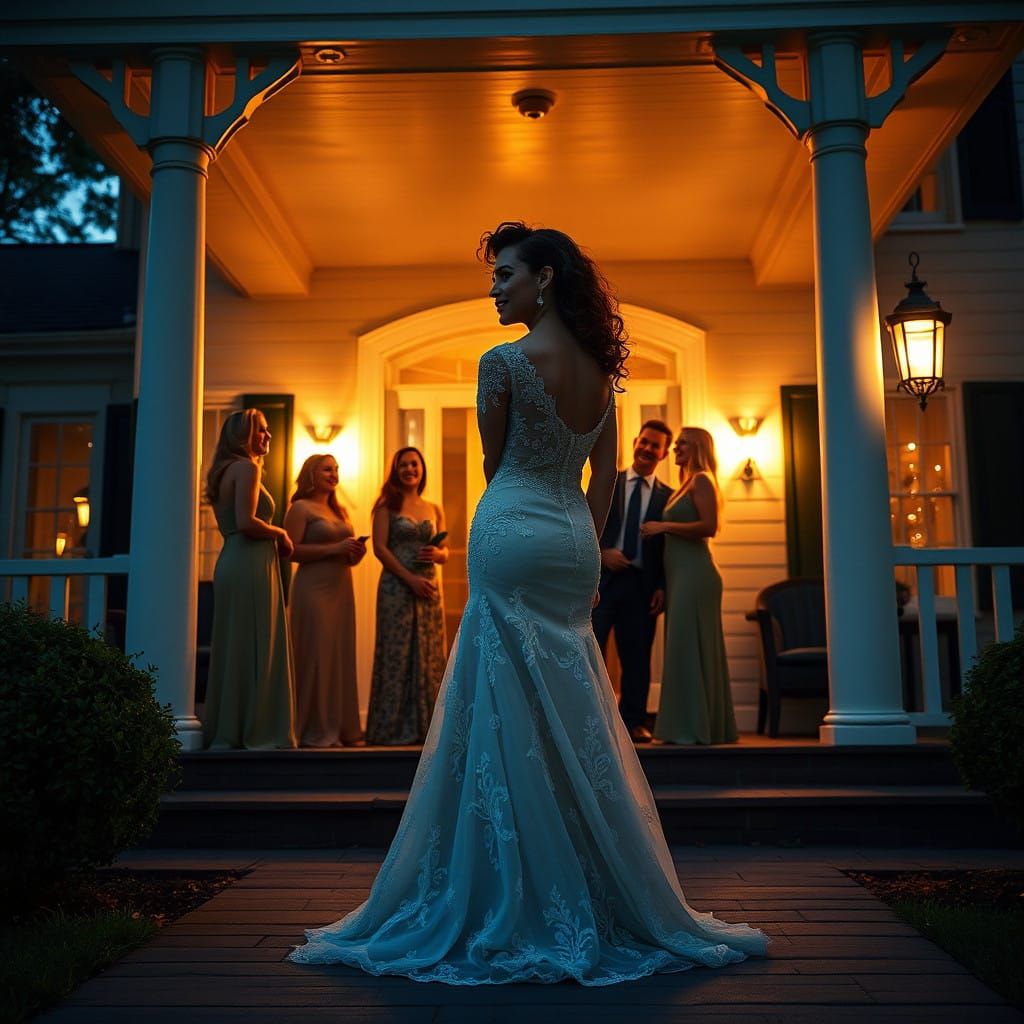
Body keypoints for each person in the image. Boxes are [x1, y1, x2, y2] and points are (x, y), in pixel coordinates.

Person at [289, 222, 766, 982]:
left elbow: (494, 457)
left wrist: (532, 499)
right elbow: (605, 485)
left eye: (504, 276)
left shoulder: (503, 362)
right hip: (574, 538)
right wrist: (589, 541)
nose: (493, 288)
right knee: (572, 699)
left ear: (544, 278)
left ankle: (506, 884)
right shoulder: (603, 375)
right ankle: (593, 881)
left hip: (512, 524)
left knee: (501, 699)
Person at [203, 408, 296, 750]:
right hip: (250, 564)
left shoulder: (223, 470)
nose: (268, 436)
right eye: (261, 431)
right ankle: (259, 730)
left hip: (233, 561)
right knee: (257, 644)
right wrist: (281, 532)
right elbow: (246, 521)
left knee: (236, 645)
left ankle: (231, 728)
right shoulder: (246, 468)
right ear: (243, 436)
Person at [641, 428, 739, 745]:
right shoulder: (686, 483)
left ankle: (692, 729)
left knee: (688, 647)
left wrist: (662, 526)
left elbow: (709, 527)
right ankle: (690, 726)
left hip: (697, 576)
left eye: (681, 443)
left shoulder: (702, 480)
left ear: (697, 446)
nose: (675, 449)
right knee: (683, 648)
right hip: (680, 576)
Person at [592, 421, 674, 742]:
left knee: (637, 657)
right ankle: (593, 722)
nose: (647, 449)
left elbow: (671, 549)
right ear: (635, 442)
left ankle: (633, 724)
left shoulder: (668, 497)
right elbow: (586, 525)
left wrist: (663, 586)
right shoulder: (609, 483)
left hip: (642, 587)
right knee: (591, 651)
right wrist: (602, 554)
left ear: (664, 453)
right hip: (602, 583)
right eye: (644, 442)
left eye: (655, 446)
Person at [364, 446, 448, 745]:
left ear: (422, 468)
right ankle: (390, 729)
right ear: (395, 471)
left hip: (428, 589)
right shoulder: (386, 506)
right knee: (397, 653)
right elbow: (379, 549)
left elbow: (446, 551)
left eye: (414, 464)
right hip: (396, 587)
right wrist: (409, 578)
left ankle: (427, 728)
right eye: (403, 465)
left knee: (429, 654)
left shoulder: (434, 508)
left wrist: (439, 554)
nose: (409, 469)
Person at [284, 454, 368, 748]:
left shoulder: (338, 510)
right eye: (327, 469)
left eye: (336, 470)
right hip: (313, 589)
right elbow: (290, 551)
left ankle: (342, 728)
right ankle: (313, 728)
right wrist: (336, 547)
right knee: (316, 654)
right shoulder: (300, 508)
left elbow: (342, 554)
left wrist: (354, 554)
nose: (333, 474)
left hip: (341, 589)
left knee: (339, 654)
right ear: (311, 474)